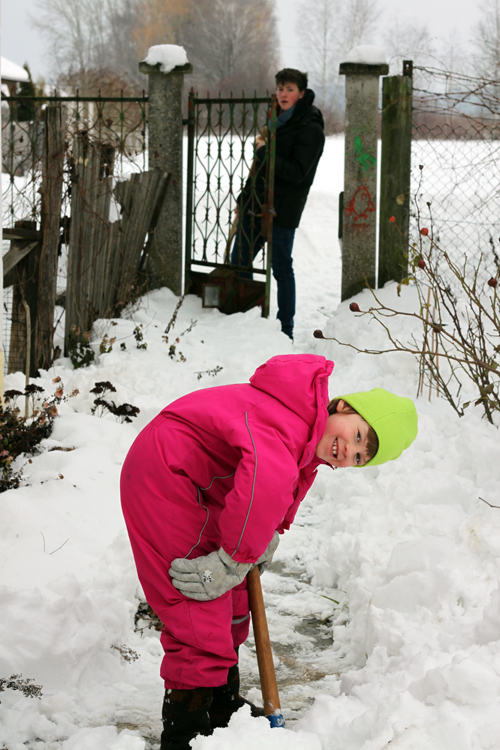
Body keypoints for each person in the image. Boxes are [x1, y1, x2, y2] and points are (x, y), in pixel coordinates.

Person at [120, 354, 418, 750]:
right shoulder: (290, 422)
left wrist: (262, 537)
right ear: (344, 407)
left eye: (361, 456)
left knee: (235, 596)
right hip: (168, 477)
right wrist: (235, 555)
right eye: (359, 436)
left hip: (206, 486)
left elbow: (271, 490)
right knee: (197, 605)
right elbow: (265, 479)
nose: (351, 451)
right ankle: (185, 732)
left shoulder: (306, 433)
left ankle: (222, 707)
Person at [230, 69, 325, 340]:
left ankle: (285, 329)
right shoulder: (276, 122)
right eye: (281, 88)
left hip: (283, 208)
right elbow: (258, 169)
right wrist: (243, 199)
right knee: (239, 260)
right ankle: (243, 314)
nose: (283, 93)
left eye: (290, 89)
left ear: (302, 94)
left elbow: (298, 172)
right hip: (255, 204)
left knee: (281, 268)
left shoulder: (310, 128)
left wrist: (264, 151)